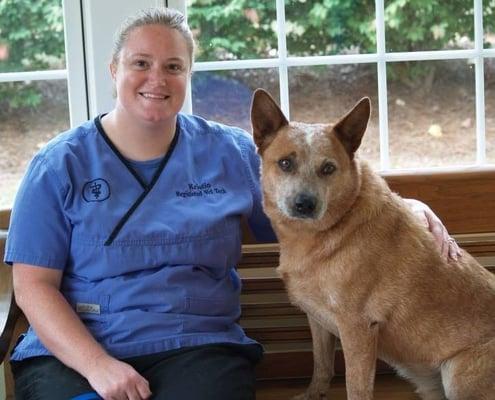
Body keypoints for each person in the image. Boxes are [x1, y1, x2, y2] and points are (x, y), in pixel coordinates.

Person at [4, 7, 460, 400]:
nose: (156, 79)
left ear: (188, 75)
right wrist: (99, 366)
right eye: (140, 63)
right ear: (114, 69)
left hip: (197, 346)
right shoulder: (58, 164)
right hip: (78, 349)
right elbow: (32, 288)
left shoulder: (231, 154)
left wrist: (406, 206)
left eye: (173, 66)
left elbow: (314, 206)